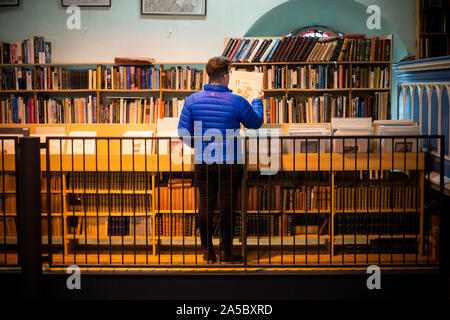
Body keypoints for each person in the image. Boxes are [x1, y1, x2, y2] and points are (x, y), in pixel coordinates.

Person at [178, 56, 264, 264]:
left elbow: (183, 132)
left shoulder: (192, 100)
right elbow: (255, 123)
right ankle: (227, 253)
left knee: (205, 206)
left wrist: (198, 146)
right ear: (225, 76)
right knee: (227, 207)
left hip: (203, 162)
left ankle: (208, 253)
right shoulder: (237, 101)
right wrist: (258, 100)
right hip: (231, 162)